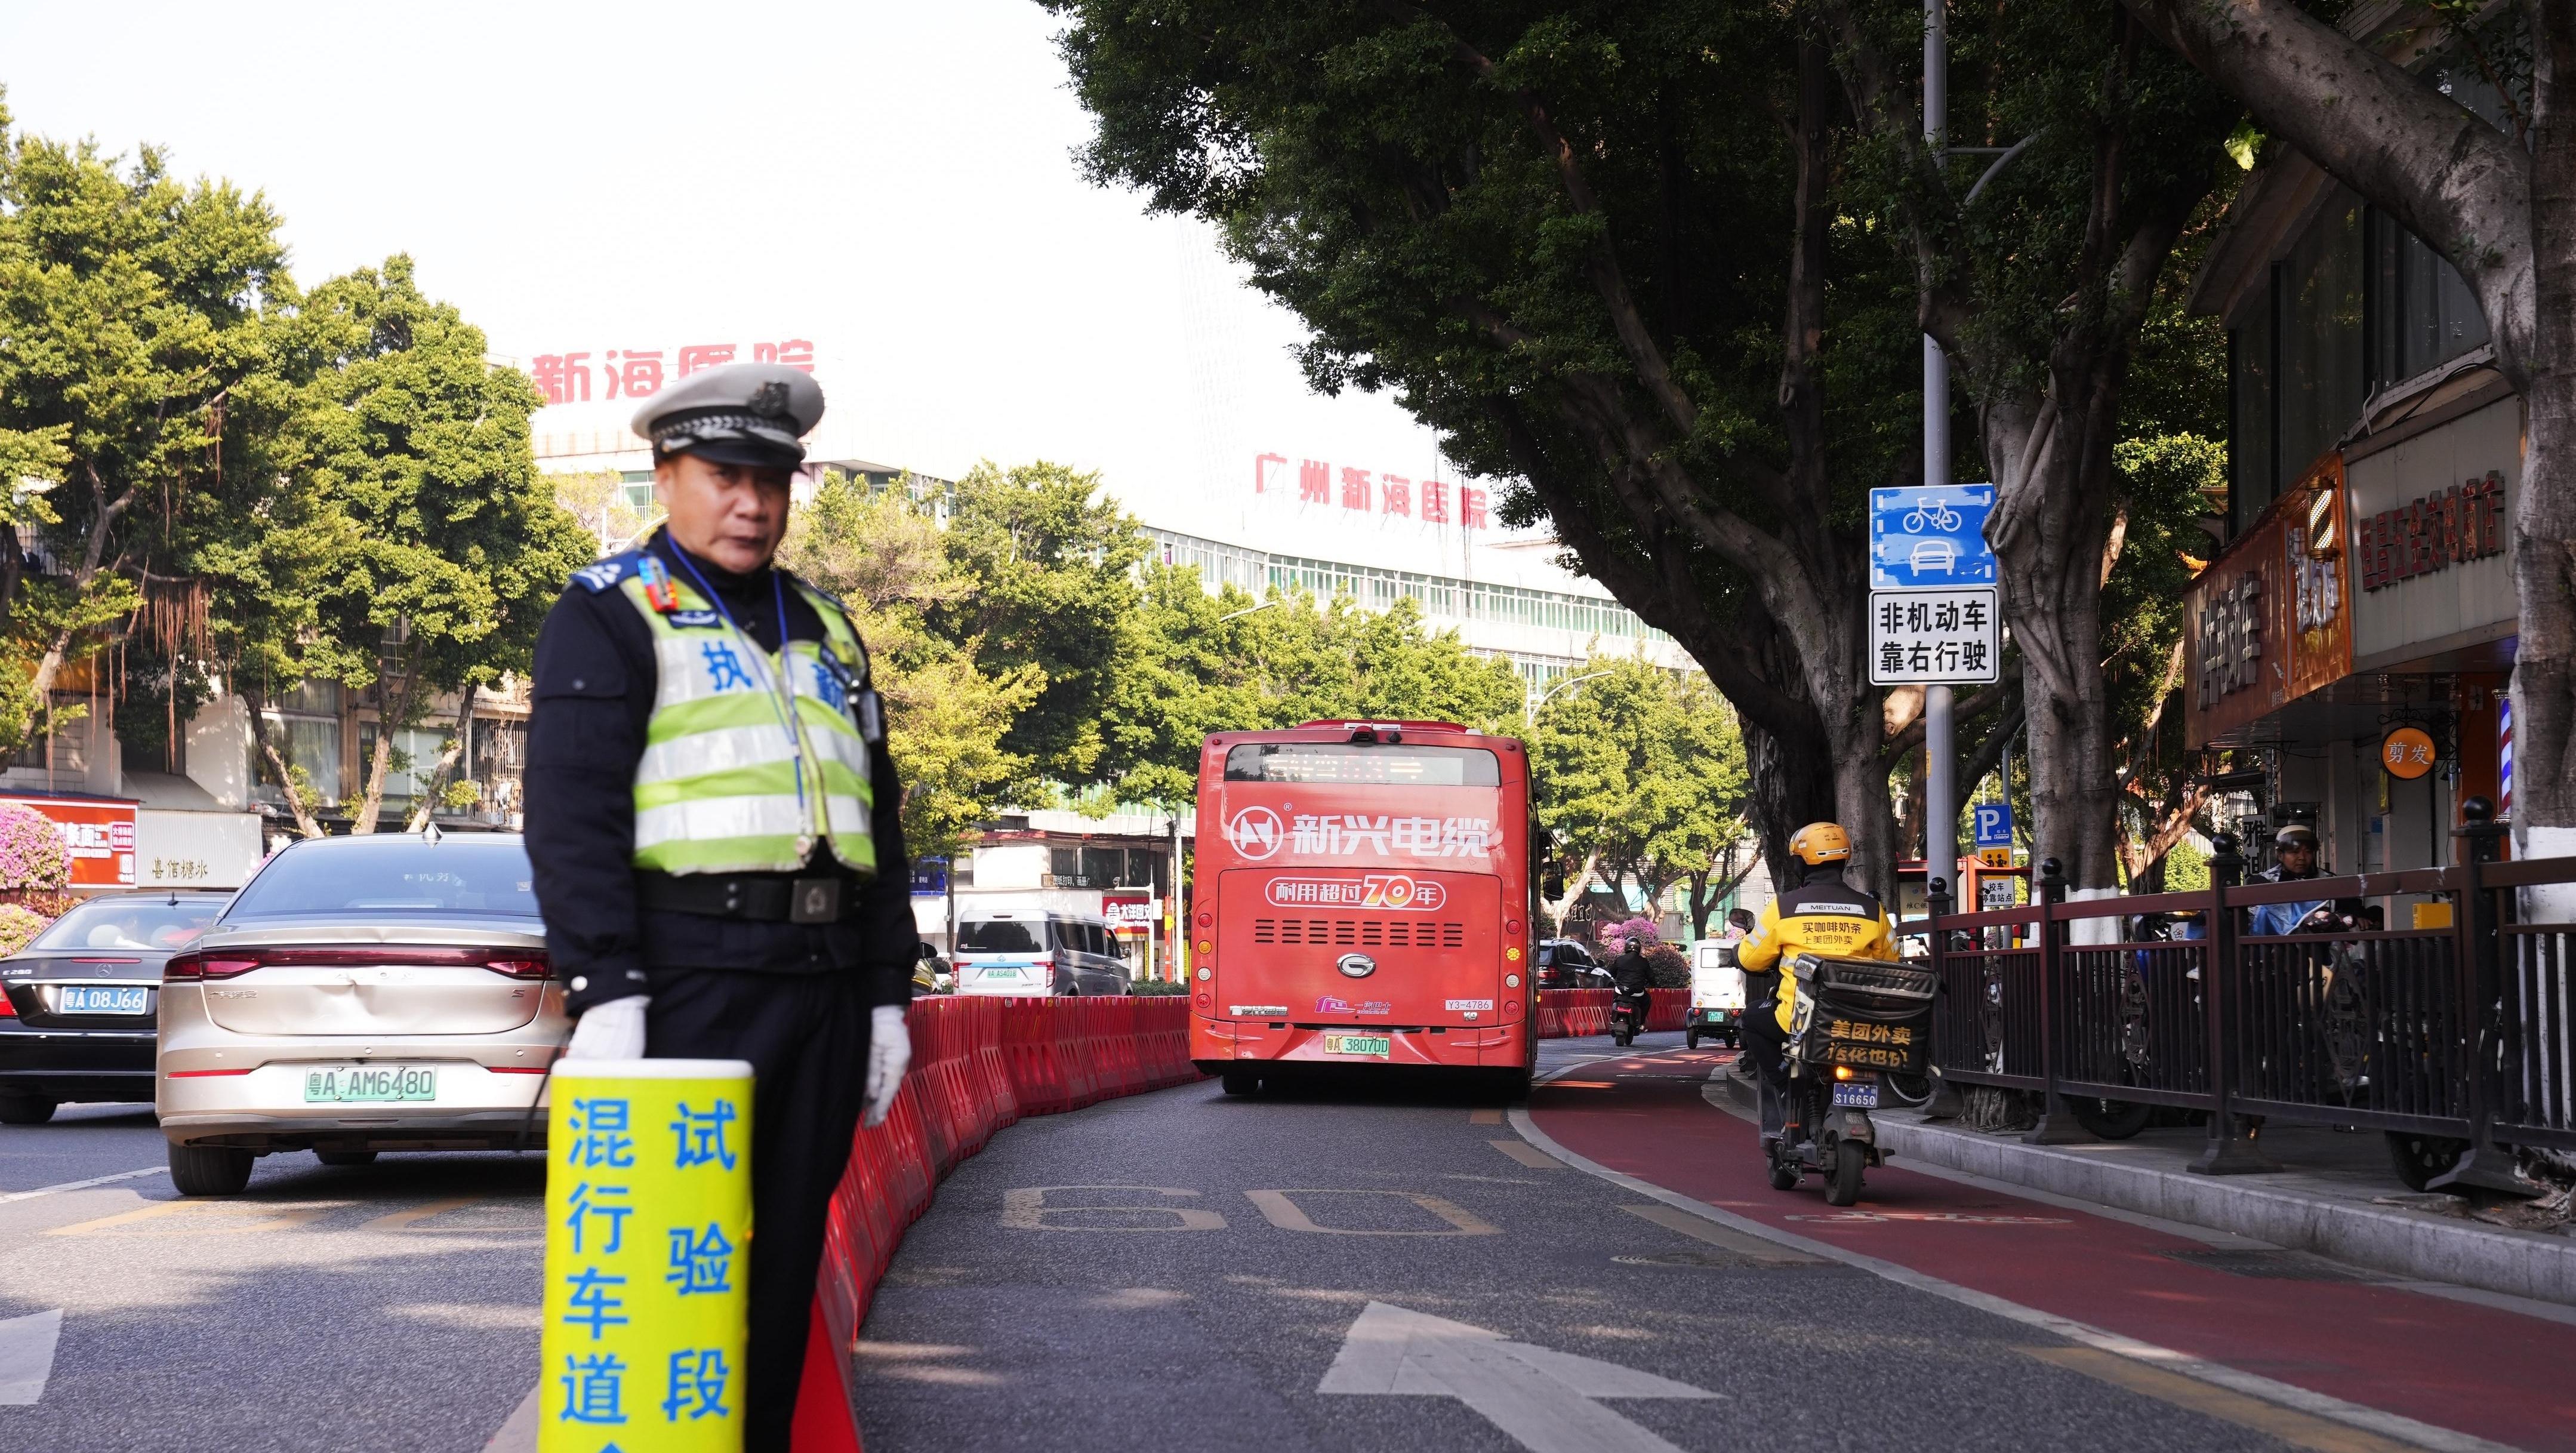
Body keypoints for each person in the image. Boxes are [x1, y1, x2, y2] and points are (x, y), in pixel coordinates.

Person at [525, 361, 916, 1453]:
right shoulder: (608, 612)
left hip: (827, 985)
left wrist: (891, 989)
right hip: (690, 985)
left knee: (782, 1269)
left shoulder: (832, 628)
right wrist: (606, 989)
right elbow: (573, 816)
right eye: (724, 475)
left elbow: (876, 825)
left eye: (773, 479)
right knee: (672, 1264)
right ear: (665, 476)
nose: (751, 502)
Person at [1734, 823, 1899, 1141]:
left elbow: (1751, 959)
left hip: (1800, 1019)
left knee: (1752, 1020)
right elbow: (1891, 963)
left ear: (1801, 862)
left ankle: (1785, 1087)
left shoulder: (1784, 908)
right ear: (1844, 861)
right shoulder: (1871, 910)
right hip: (1857, 1021)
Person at [2248, 824, 2331, 936]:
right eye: (2295, 852)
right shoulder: (2264, 881)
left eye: (2308, 851)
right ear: (2280, 855)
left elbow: (2349, 905)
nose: (2302, 857)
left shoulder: (2329, 880)